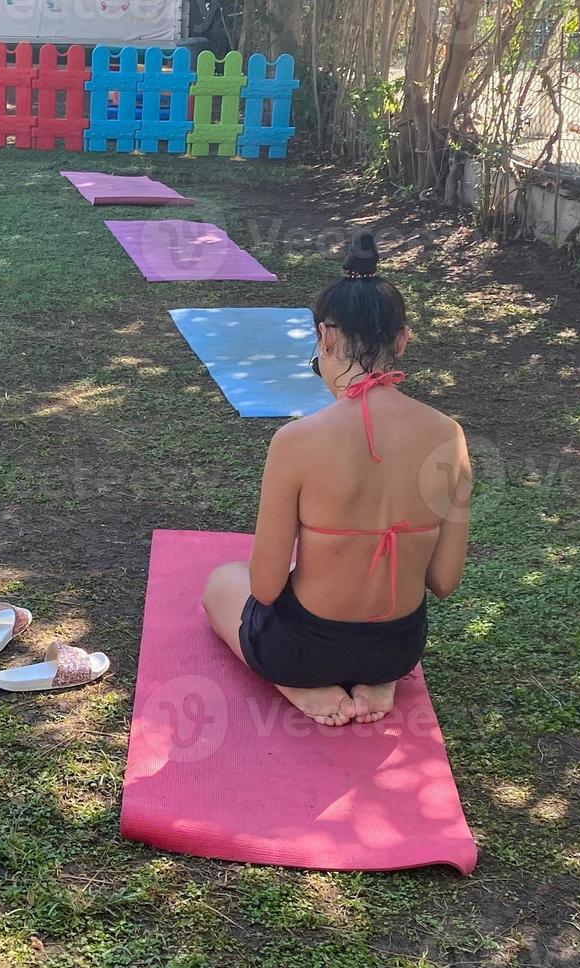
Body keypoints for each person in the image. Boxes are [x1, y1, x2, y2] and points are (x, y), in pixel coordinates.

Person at [201, 231, 472, 727]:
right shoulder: (449, 436)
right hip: (397, 651)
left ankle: (295, 686)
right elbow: (444, 581)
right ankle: (376, 682)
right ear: (403, 339)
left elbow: (264, 587)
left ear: (324, 338)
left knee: (224, 580)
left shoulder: (297, 441)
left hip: (300, 652)